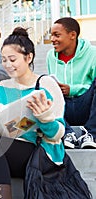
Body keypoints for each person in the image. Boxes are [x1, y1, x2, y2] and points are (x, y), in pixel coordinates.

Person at [0, 27, 65, 199]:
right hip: (3, 148)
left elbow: (58, 134)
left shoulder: (45, 84)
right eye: (4, 60)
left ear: (28, 57)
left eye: (13, 59)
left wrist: (44, 118)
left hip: (38, 151)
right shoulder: (0, 88)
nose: (7, 65)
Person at [47, 17, 96, 149]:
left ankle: (92, 134)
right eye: (51, 35)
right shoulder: (50, 56)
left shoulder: (92, 53)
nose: (52, 39)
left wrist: (72, 89)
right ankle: (67, 133)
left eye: (57, 35)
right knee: (44, 85)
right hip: (63, 108)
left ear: (72, 35)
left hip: (86, 105)